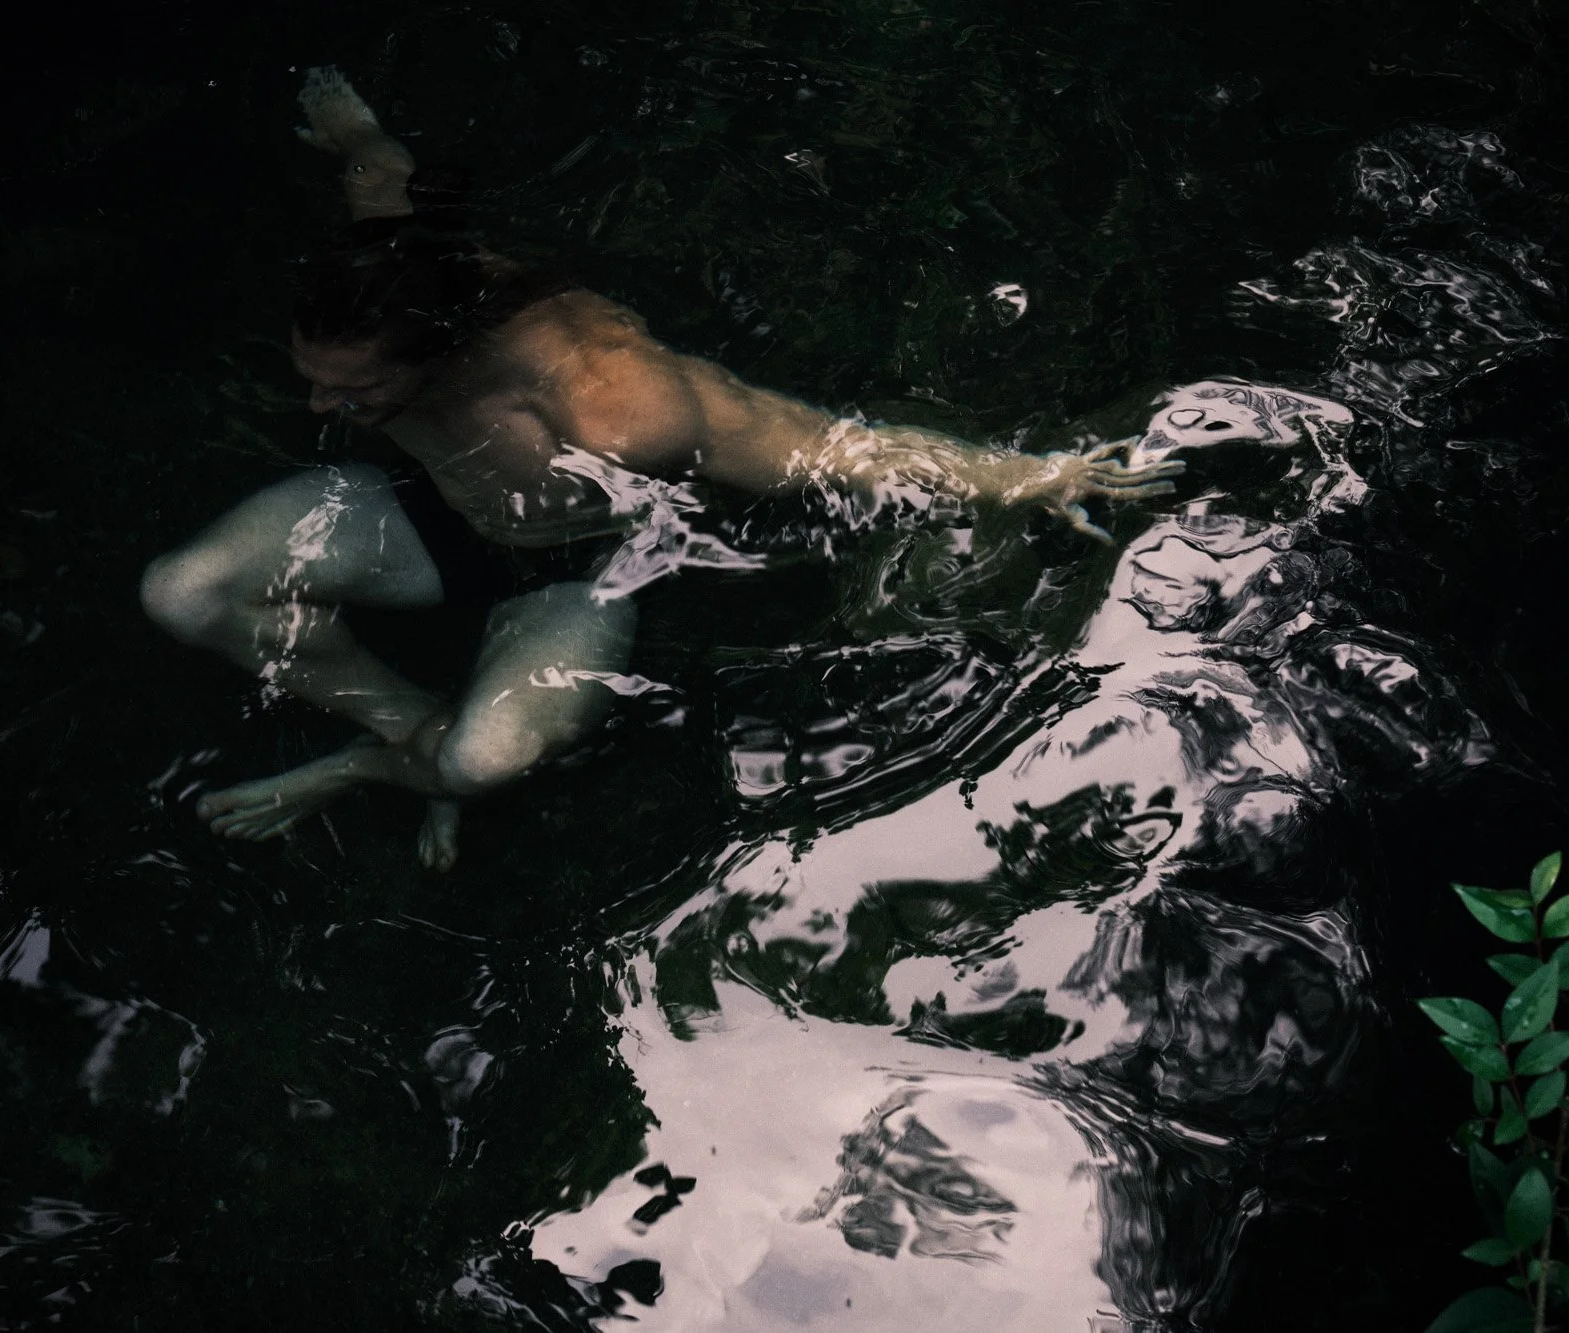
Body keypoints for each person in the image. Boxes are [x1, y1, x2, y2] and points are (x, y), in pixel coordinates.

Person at [138, 68, 1183, 868]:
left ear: (437, 350)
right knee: (184, 591)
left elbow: (824, 449)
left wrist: (1031, 479)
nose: (320, 409)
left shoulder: (611, 400)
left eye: (353, 392)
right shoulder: (388, 273)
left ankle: (398, 766)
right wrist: (354, 127)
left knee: (482, 760)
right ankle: (406, 729)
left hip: (577, 567)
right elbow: (383, 179)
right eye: (312, 381)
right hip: (436, 518)